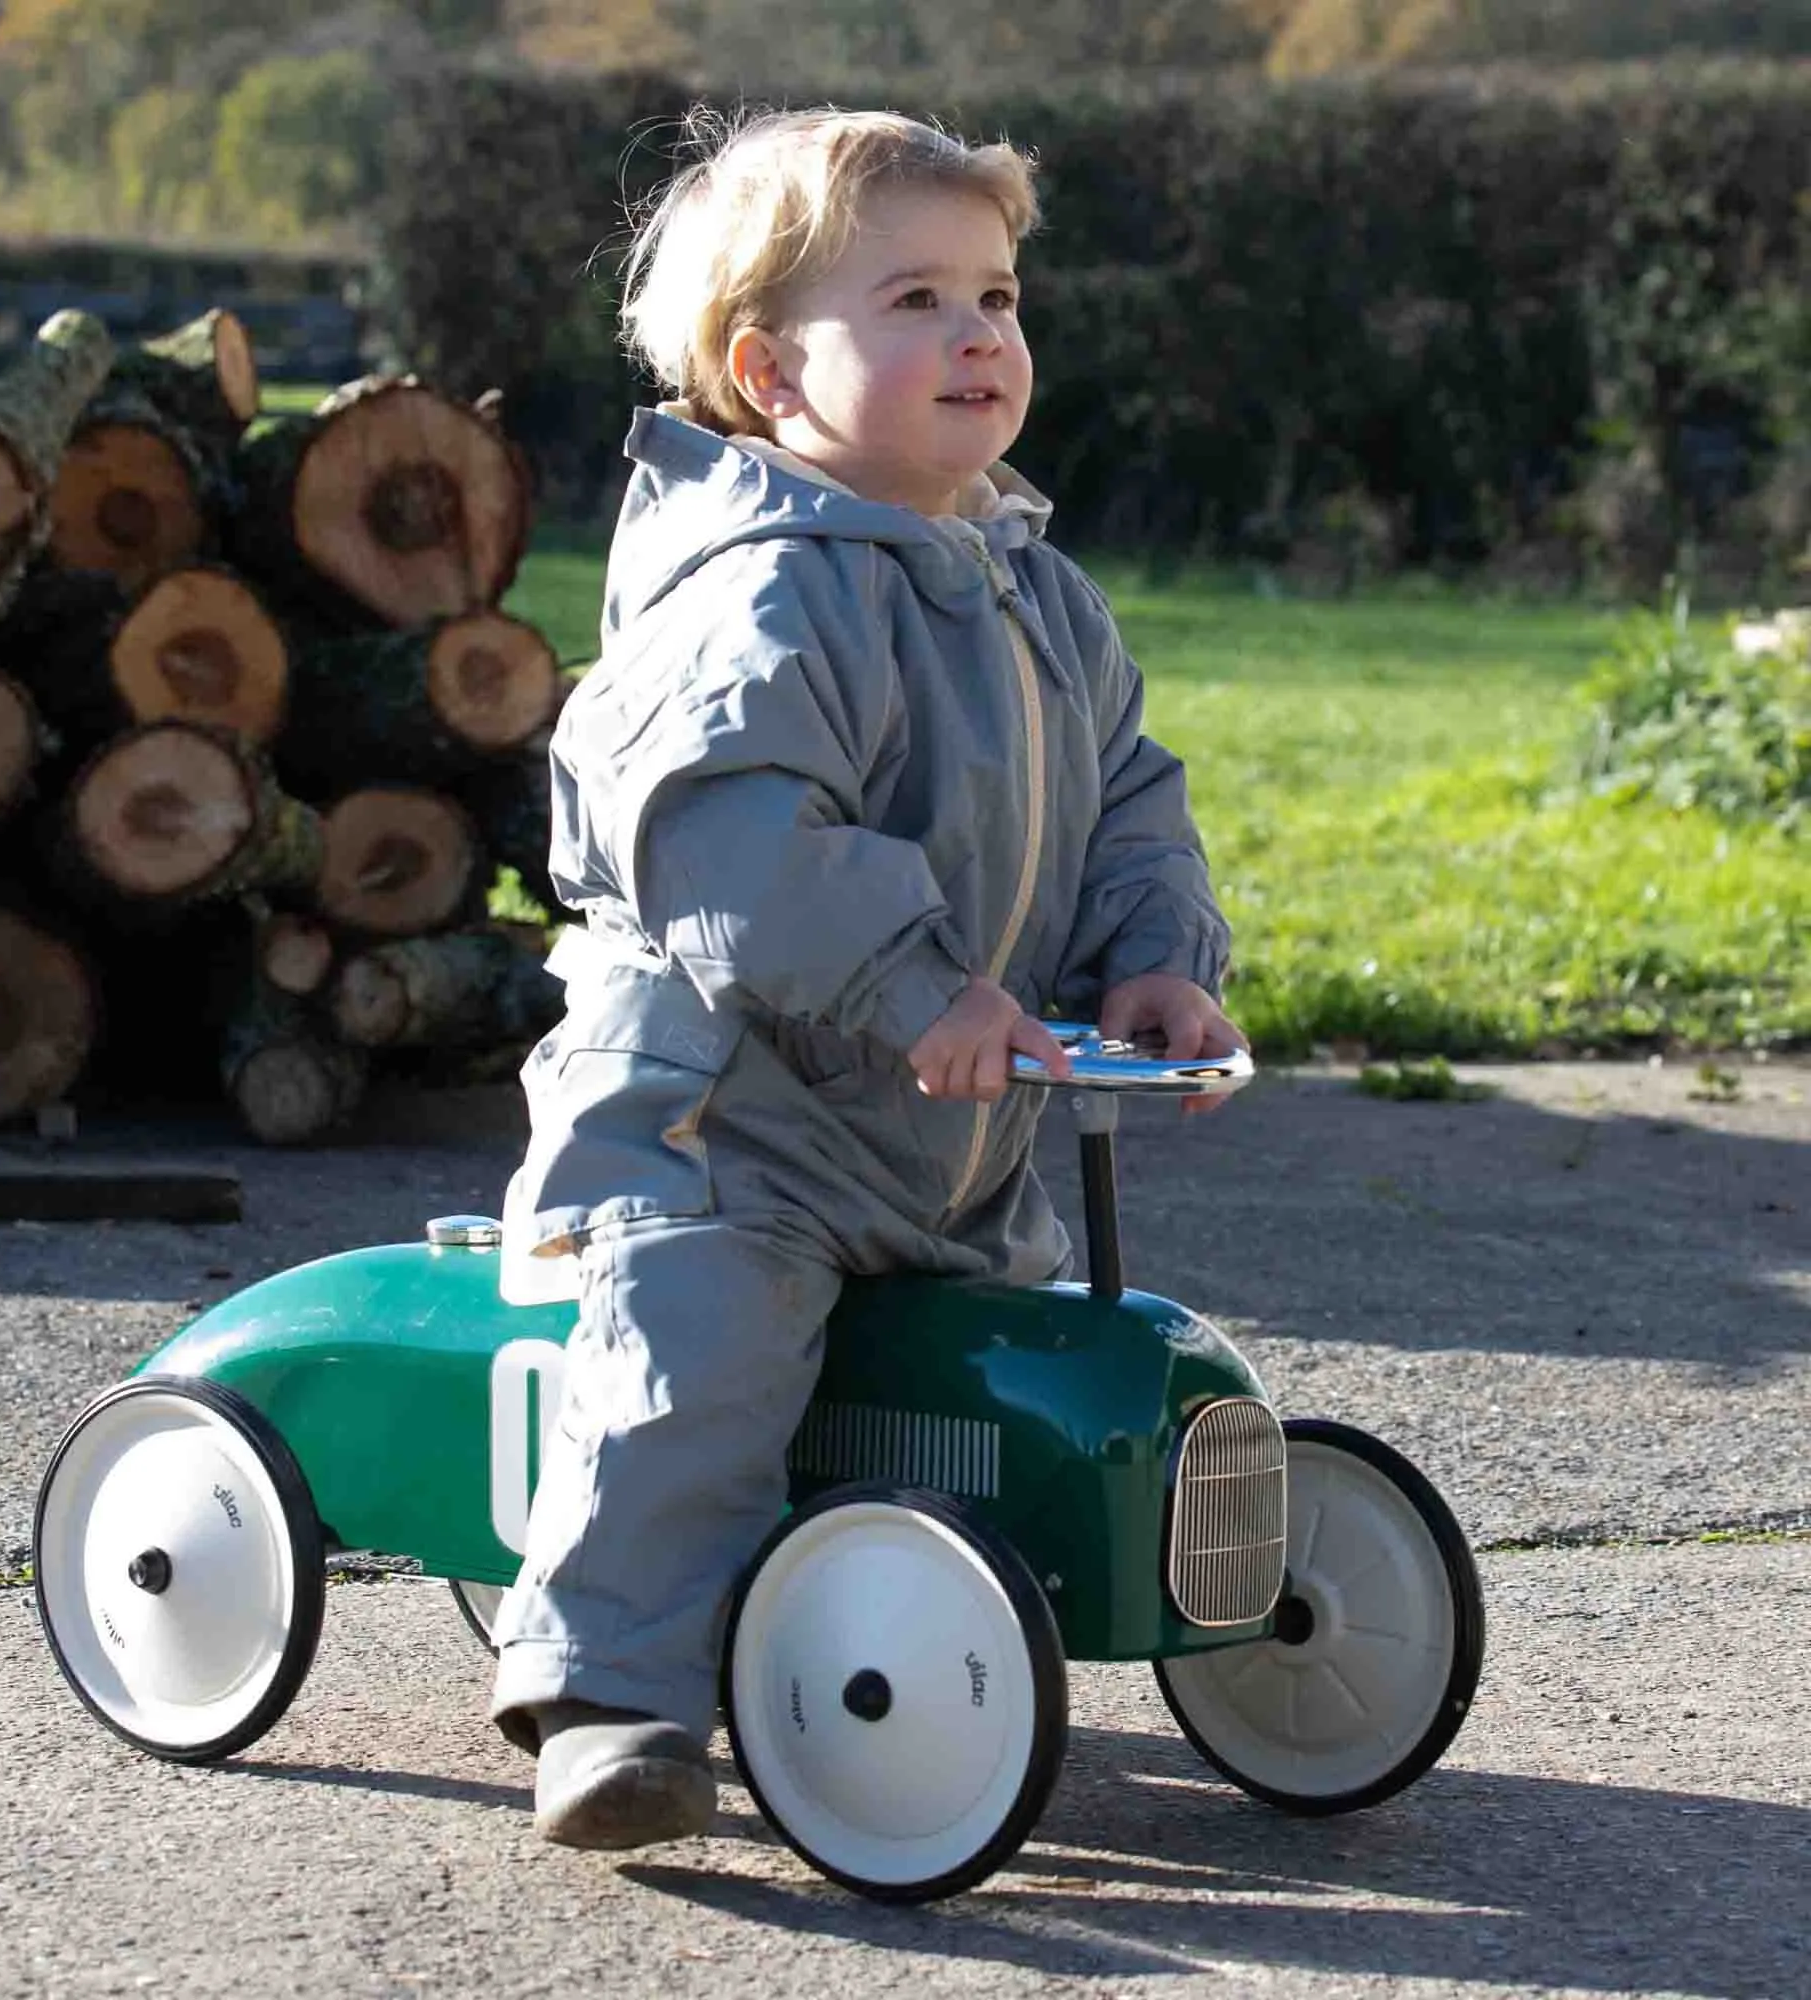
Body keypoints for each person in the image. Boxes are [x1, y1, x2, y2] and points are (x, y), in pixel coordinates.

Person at [489, 106, 1243, 1852]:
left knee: (989, 1376)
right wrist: (917, 985)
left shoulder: (1039, 595)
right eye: (915, 298)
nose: (981, 332)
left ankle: (921, 1624)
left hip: (944, 1143)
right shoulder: (755, 599)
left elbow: (1130, 797)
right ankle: (609, 1690)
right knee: (704, 1361)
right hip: (727, 1131)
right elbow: (735, 840)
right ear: (769, 371)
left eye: (996, 292)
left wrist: (1152, 955)